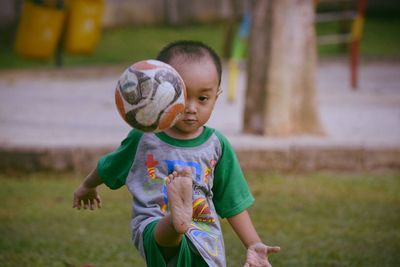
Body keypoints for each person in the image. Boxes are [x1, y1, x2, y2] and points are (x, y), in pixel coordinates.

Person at [72, 40, 280, 267]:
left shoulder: (216, 144)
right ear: (159, 93)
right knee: (165, 232)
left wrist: (253, 244)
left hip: (204, 240)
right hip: (154, 227)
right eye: (182, 96)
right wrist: (88, 185)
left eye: (202, 99)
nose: (191, 107)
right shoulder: (144, 137)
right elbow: (109, 166)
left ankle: (180, 218)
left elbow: (232, 201)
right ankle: (175, 219)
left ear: (216, 97)